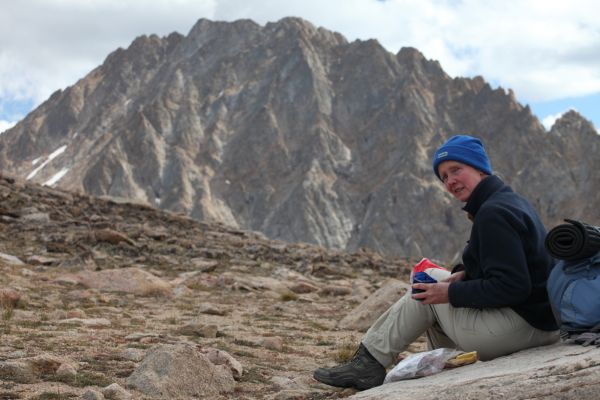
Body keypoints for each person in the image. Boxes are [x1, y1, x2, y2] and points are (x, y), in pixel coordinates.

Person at [313, 134, 559, 391]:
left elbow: (513, 286)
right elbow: (517, 264)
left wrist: (450, 292)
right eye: (444, 176)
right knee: (433, 280)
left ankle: (368, 363)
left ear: (479, 168)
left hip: (523, 329)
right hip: (541, 323)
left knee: (425, 289)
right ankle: (439, 362)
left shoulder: (493, 214)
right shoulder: (507, 201)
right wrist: (466, 274)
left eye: (456, 170)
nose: (450, 181)